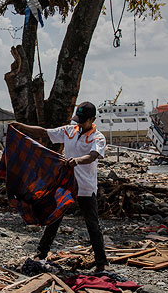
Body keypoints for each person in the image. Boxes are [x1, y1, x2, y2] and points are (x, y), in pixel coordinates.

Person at [12, 101, 109, 271]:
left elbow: (94, 155)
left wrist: (77, 161)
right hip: (66, 185)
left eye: (83, 120)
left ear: (93, 119)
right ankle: (41, 253)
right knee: (54, 218)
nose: (79, 123)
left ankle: (101, 263)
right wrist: (20, 126)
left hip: (86, 187)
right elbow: (43, 133)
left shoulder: (98, 137)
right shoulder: (69, 131)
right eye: (78, 119)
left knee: (92, 224)